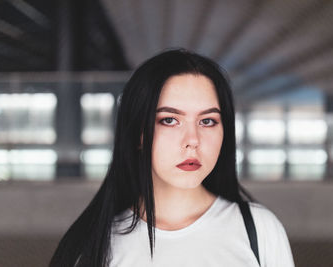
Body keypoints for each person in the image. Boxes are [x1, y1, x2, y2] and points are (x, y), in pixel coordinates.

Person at [50, 49, 294, 267]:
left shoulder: (259, 229)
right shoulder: (95, 245)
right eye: (169, 120)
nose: (192, 140)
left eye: (207, 121)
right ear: (138, 133)